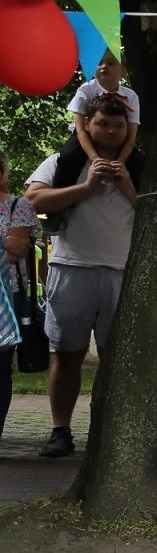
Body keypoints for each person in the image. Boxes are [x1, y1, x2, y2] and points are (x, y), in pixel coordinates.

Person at [25, 95, 141, 458]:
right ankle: (60, 431)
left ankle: (108, 435)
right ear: (87, 124)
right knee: (68, 354)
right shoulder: (64, 160)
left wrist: (126, 186)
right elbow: (32, 202)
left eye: (117, 125)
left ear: (128, 130)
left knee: (115, 357)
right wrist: (86, 189)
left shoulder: (141, 165)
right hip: (71, 268)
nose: (110, 131)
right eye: (102, 124)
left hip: (122, 272)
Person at [0, 162, 36, 440]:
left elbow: (15, 251)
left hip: (7, 295)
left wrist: (7, 244)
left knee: (1, 370)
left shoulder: (18, 206)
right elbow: (7, 245)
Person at [68, 51, 139, 164]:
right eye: (99, 63)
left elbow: (131, 137)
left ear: (123, 71)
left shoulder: (131, 96)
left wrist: (120, 162)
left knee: (137, 161)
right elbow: (80, 129)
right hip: (85, 137)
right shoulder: (85, 90)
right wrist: (94, 158)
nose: (104, 66)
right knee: (67, 156)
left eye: (111, 63)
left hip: (117, 138)